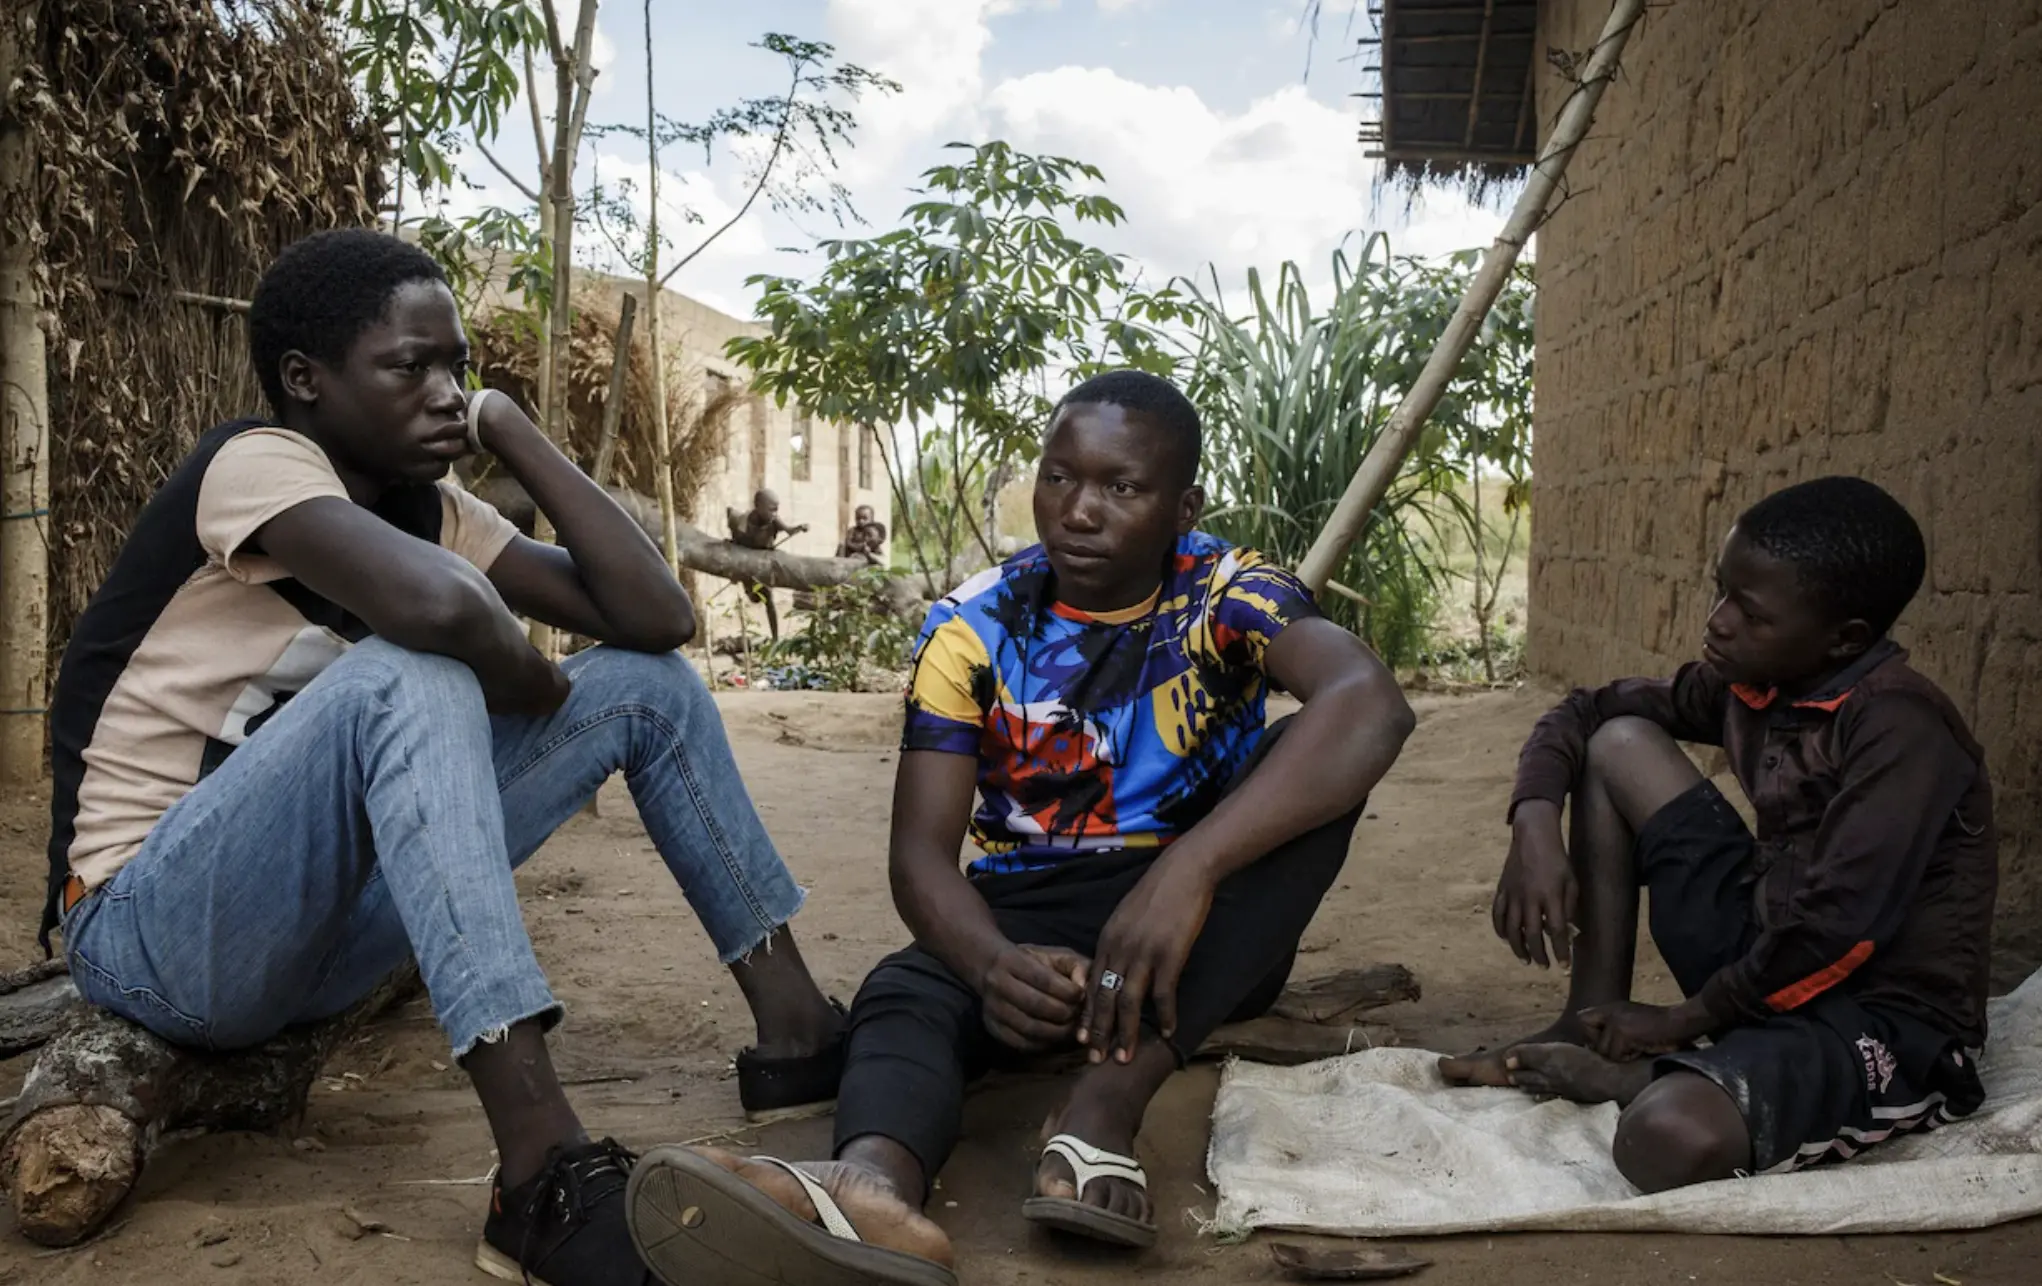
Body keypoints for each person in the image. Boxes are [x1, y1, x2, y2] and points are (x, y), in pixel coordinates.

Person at [48, 229, 848, 1286]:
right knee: (411, 669)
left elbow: (657, 617)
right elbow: (436, 609)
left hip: (317, 941)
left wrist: (512, 429)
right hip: (146, 925)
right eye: (409, 366)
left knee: (646, 690)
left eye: (458, 369)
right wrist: (531, 686)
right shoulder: (254, 464)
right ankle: (540, 1168)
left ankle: (796, 1030)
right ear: (306, 380)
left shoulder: (434, 508)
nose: (446, 393)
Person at [622, 370, 1417, 1284]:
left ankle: (1101, 1110)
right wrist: (991, 965)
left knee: (1310, 762)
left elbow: (1370, 703)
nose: (1079, 511)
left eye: (1122, 488)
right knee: (905, 994)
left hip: (1205, 931)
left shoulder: (1229, 592)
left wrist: (1187, 871)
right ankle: (869, 1191)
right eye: (1060, 477)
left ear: (1182, 506)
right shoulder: (973, 624)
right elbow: (920, 859)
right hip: (1030, 927)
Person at [1439, 477, 1997, 1193]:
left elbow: (1840, 930)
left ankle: (1644, 1077)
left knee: (1666, 1139)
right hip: (1765, 958)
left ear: (1844, 640)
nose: (1718, 621)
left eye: (1751, 613)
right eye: (1720, 589)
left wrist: (1682, 1020)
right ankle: (1586, 1017)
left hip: (1879, 1014)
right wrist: (1535, 822)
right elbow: (1583, 710)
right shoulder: (1753, 684)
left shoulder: (1901, 729)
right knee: (1617, 742)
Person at [726, 489, 807, 641]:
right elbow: (736, 539)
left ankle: (775, 638)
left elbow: (789, 530)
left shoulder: (774, 521)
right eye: (771, 509)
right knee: (753, 597)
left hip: (764, 563)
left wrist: (799, 528)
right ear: (758, 506)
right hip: (747, 562)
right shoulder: (743, 522)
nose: (775, 513)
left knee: (768, 599)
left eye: (777, 509)